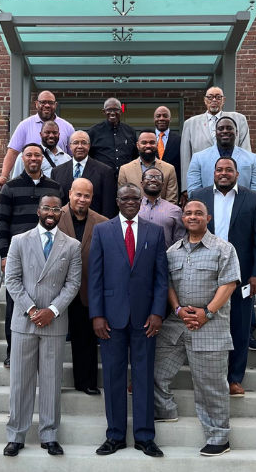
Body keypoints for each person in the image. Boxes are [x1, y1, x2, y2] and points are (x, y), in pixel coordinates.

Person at [154, 199, 240, 456]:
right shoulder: (172, 252)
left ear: (208, 218)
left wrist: (207, 312)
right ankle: (165, 411)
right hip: (177, 324)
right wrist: (178, 309)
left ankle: (219, 437)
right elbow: (168, 284)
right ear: (182, 219)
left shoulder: (223, 249)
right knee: (154, 372)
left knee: (210, 384)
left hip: (209, 326)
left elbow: (229, 285)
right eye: (188, 213)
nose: (193, 217)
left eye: (198, 213)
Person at [88, 184, 168, 458]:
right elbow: (95, 277)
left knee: (144, 377)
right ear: (117, 201)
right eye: (126, 198)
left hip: (146, 318)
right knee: (112, 377)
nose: (131, 201)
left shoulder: (155, 232)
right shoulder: (102, 230)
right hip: (111, 317)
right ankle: (115, 435)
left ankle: (145, 437)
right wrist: (97, 314)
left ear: (141, 201)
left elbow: (161, 277)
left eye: (136, 198)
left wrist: (158, 312)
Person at [3, 194, 82, 457]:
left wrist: (52, 310)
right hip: (24, 321)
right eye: (46, 208)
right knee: (20, 382)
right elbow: (12, 280)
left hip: (54, 322)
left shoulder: (72, 245)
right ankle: (16, 435)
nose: (51, 212)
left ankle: (49, 435)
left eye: (56, 209)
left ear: (62, 213)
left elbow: (73, 284)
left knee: (51, 381)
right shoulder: (19, 241)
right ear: (38, 211)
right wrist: (33, 309)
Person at [190, 157, 256, 398]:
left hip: (242, 274)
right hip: (205, 270)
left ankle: (235, 378)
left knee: (240, 324)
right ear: (213, 173)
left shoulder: (252, 199)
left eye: (228, 170)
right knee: (206, 324)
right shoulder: (199, 195)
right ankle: (208, 378)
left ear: (237, 174)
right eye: (219, 170)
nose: (223, 173)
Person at [0, 143, 63, 368]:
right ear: (22, 159)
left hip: (48, 251)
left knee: (46, 298)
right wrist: (4, 255)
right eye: (28, 155)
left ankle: (42, 351)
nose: (33, 159)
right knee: (15, 303)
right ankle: (12, 351)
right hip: (19, 253)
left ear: (42, 158)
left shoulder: (54, 187)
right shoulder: (10, 188)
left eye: (37, 155)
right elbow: (2, 223)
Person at [57, 177, 108, 395]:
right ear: (70, 194)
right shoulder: (54, 217)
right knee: (54, 340)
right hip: (57, 290)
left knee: (85, 339)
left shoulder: (103, 222)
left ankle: (85, 382)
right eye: (78, 194)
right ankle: (53, 383)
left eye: (87, 195)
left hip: (87, 288)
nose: (82, 199)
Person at [0, 91, 74, 188]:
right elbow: (12, 152)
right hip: (31, 186)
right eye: (43, 102)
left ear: (55, 105)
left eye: (51, 103)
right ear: (37, 104)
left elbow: (72, 156)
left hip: (59, 187)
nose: (47, 105)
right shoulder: (25, 125)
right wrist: (4, 176)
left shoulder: (67, 127)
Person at [180, 87, 251, 194]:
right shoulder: (190, 123)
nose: (214, 100)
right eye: (210, 97)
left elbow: (246, 151)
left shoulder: (239, 119)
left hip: (233, 182)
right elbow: (186, 159)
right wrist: (186, 189)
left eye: (218, 97)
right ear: (205, 100)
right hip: (203, 180)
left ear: (224, 100)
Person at [187, 116, 256, 195]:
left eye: (229, 128)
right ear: (215, 133)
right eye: (220, 129)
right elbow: (193, 192)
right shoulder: (198, 158)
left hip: (242, 206)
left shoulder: (253, 159)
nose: (225, 131)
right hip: (208, 206)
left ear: (236, 132)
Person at [52, 130, 117, 218]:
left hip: (94, 226)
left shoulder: (105, 171)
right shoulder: (57, 172)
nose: (80, 146)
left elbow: (108, 206)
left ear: (89, 146)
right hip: (65, 225)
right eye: (75, 143)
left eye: (84, 143)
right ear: (70, 146)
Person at [118, 130, 178, 204]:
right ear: (137, 145)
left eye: (152, 142)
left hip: (162, 214)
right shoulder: (125, 170)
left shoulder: (169, 169)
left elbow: (171, 200)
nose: (148, 146)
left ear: (157, 145)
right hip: (134, 214)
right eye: (144, 143)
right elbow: (123, 199)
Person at [87, 98, 138, 179]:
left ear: (121, 111)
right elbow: (89, 157)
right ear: (104, 111)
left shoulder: (130, 131)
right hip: (102, 178)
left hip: (126, 178)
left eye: (116, 109)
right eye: (109, 110)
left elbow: (136, 156)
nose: (112, 113)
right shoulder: (94, 131)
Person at [138, 167, 186, 249]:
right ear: (142, 183)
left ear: (163, 184)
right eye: (149, 177)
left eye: (158, 177)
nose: (153, 180)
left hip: (166, 259)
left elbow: (179, 241)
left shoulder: (175, 210)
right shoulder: (132, 208)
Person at [154, 106, 182, 194]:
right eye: (158, 116)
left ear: (170, 119)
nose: (161, 118)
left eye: (165, 116)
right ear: (154, 119)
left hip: (173, 188)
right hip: (150, 186)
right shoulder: (147, 139)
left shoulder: (179, 140)